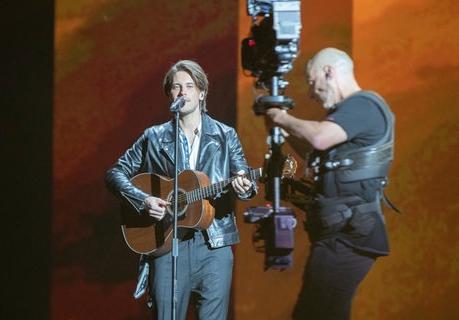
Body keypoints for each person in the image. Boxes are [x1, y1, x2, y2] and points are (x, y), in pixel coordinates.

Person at [105, 59, 257, 320]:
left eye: (189, 86)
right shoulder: (154, 137)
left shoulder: (224, 135)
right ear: (169, 94)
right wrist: (143, 200)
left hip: (214, 243)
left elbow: (243, 178)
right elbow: (114, 173)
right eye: (176, 87)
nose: (183, 92)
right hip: (167, 241)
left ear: (202, 93)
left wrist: (244, 186)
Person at [265, 47, 397, 319]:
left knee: (313, 313)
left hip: (348, 236)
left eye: (312, 83)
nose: (312, 93)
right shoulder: (353, 112)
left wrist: (282, 117)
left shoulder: (363, 104)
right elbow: (316, 152)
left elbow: (319, 138)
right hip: (343, 234)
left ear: (329, 72)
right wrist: (280, 128)